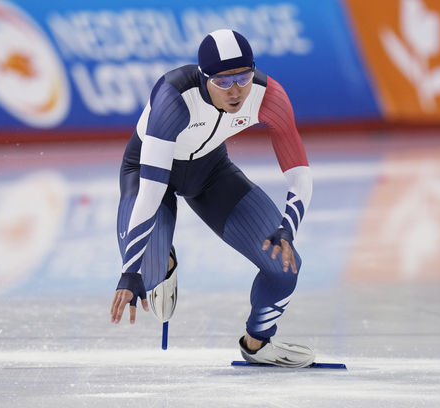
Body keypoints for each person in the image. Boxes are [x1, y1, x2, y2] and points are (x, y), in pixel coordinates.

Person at [109, 29, 314, 368]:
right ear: (205, 80)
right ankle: (164, 263)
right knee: (148, 270)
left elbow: (300, 173)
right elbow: (152, 190)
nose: (235, 92)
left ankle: (258, 345)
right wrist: (130, 270)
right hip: (149, 172)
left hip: (211, 173)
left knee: (283, 267)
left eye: (243, 78)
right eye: (223, 83)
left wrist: (288, 228)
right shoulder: (173, 98)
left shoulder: (268, 95)